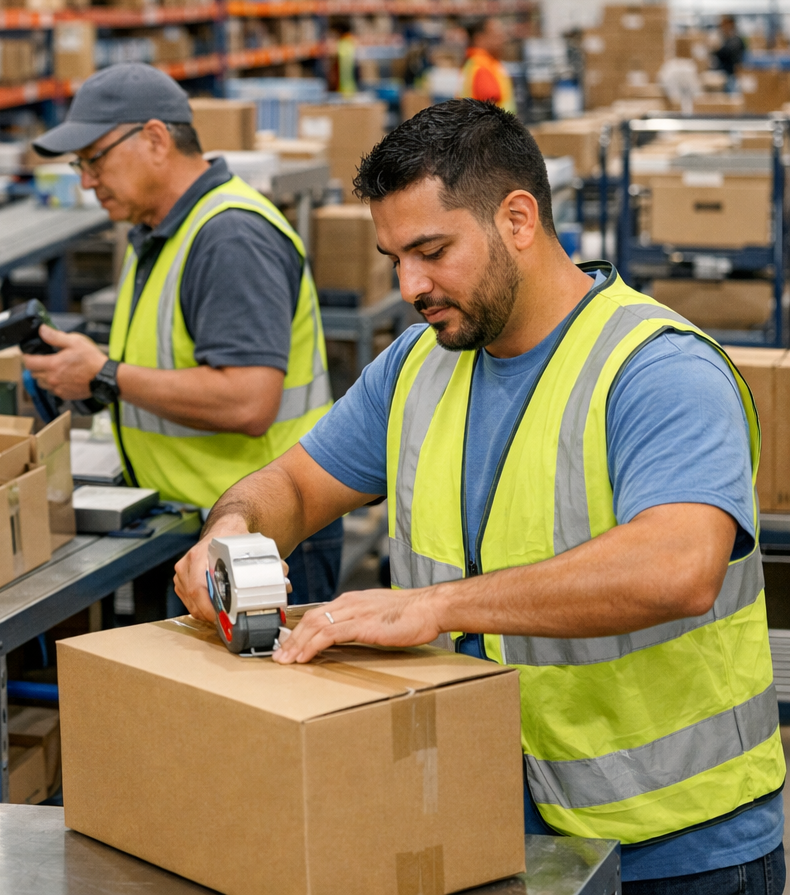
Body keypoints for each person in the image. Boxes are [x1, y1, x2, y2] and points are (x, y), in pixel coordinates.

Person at [173, 100, 785, 891]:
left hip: (675, 849)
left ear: (519, 219)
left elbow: (678, 566)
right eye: (395, 257)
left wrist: (435, 605)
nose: (409, 286)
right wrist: (230, 534)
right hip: (483, 824)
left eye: (432, 251)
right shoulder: (418, 365)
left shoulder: (657, 369)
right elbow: (292, 481)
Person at [23, 63, 341, 603]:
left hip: (264, 539)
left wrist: (106, 374)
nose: (86, 180)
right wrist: (97, 374)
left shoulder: (229, 237)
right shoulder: (163, 231)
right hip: (201, 525)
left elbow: (248, 401)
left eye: (94, 159)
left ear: (154, 139)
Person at [459, 19, 517, 114]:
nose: (503, 39)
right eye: (496, 35)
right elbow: (489, 97)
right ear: (479, 38)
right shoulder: (482, 65)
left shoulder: (477, 62)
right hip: (493, 126)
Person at [717, 14, 748, 89]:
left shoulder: (735, 41)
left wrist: (716, 49)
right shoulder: (727, 40)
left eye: (724, 25)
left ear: (730, 24)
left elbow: (728, 55)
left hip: (733, 76)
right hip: (727, 75)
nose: (722, 28)